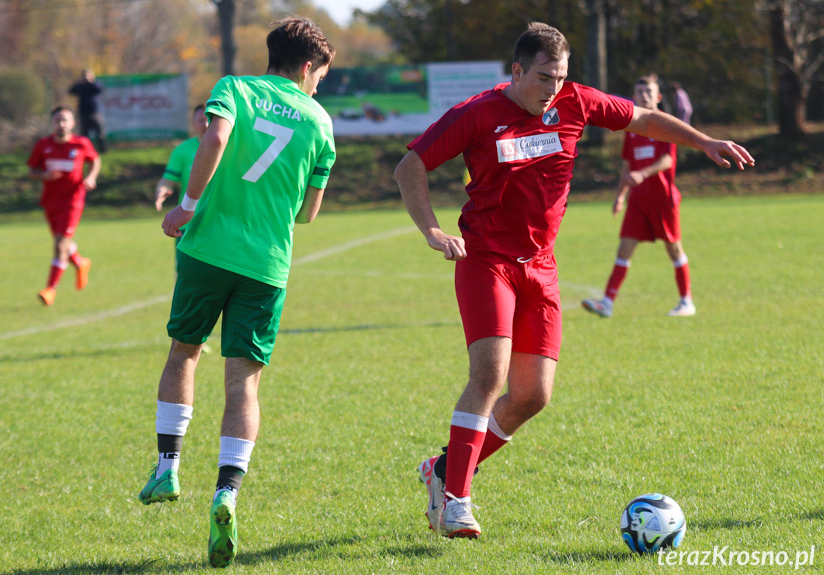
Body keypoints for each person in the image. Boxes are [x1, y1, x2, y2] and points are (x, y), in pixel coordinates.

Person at [395, 22, 753, 540]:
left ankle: (445, 468)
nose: (553, 89)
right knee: (490, 375)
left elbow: (645, 119)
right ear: (517, 71)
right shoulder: (475, 114)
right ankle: (455, 499)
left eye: (561, 77)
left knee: (533, 396)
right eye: (543, 78)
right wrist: (431, 228)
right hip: (488, 261)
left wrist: (702, 141)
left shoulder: (576, 102)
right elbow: (411, 167)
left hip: (541, 266)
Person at [137, 17, 335, 569]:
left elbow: (217, 137)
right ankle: (226, 492)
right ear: (305, 67)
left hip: (205, 252)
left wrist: (189, 206)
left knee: (184, 352)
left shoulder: (234, 88)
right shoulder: (320, 122)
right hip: (267, 265)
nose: (319, 85)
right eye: (320, 74)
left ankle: (168, 467)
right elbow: (309, 212)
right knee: (244, 381)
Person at [582, 75, 694, 318]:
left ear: (658, 97)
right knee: (624, 249)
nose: (643, 95)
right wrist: (620, 195)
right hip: (638, 201)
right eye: (639, 91)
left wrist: (643, 174)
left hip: (663, 199)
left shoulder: (666, 124)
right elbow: (626, 165)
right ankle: (607, 302)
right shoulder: (631, 129)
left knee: (674, 249)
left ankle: (686, 301)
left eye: (648, 91)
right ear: (633, 97)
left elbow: (668, 160)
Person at [27, 107, 101, 306]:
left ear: (72, 123)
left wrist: (91, 178)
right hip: (51, 201)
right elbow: (31, 170)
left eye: (65, 120)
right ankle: (80, 262)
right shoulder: (43, 145)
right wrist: (43, 175)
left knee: (60, 245)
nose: (61, 124)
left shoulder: (81, 143)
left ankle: (50, 289)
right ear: (52, 123)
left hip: (73, 201)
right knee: (63, 244)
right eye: (57, 120)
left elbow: (95, 160)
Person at [154, 104, 210, 270]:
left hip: (216, 223)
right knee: (184, 275)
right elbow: (167, 180)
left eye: (209, 120)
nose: (206, 124)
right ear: (192, 123)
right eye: (201, 120)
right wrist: (161, 191)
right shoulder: (182, 150)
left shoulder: (229, 148)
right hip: (187, 223)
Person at [69, 69, 107, 152]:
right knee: (84, 134)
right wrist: (79, 82)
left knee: (100, 132)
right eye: (84, 76)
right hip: (84, 112)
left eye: (87, 75)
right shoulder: (81, 86)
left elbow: (99, 89)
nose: (85, 78)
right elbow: (71, 91)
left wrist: (91, 81)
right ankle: (85, 150)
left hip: (95, 112)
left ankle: (102, 150)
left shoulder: (94, 84)